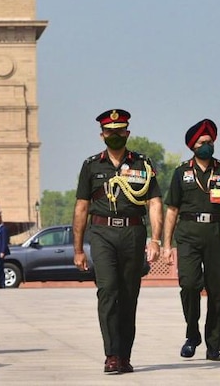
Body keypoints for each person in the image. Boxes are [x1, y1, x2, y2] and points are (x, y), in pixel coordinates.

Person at [73, 109, 163, 374]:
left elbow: (155, 202)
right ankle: (111, 354)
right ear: (102, 135)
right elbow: (81, 206)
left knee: (128, 295)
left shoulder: (142, 164)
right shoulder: (91, 165)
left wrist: (155, 240)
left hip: (133, 233)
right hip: (101, 234)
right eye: (109, 131)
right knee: (108, 290)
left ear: (127, 133)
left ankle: (124, 355)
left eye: (119, 131)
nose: (114, 135)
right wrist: (78, 248)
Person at [161, 118, 220, 362]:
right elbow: (172, 211)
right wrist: (167, 245)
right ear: (193, 146)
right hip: (187, 233)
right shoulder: (181, 173)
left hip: (217, 233)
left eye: (210, 141)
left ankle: (213, 345)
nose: (207, 145)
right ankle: (192, 335)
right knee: (189, 285)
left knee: (218, 292)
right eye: (202, 142)